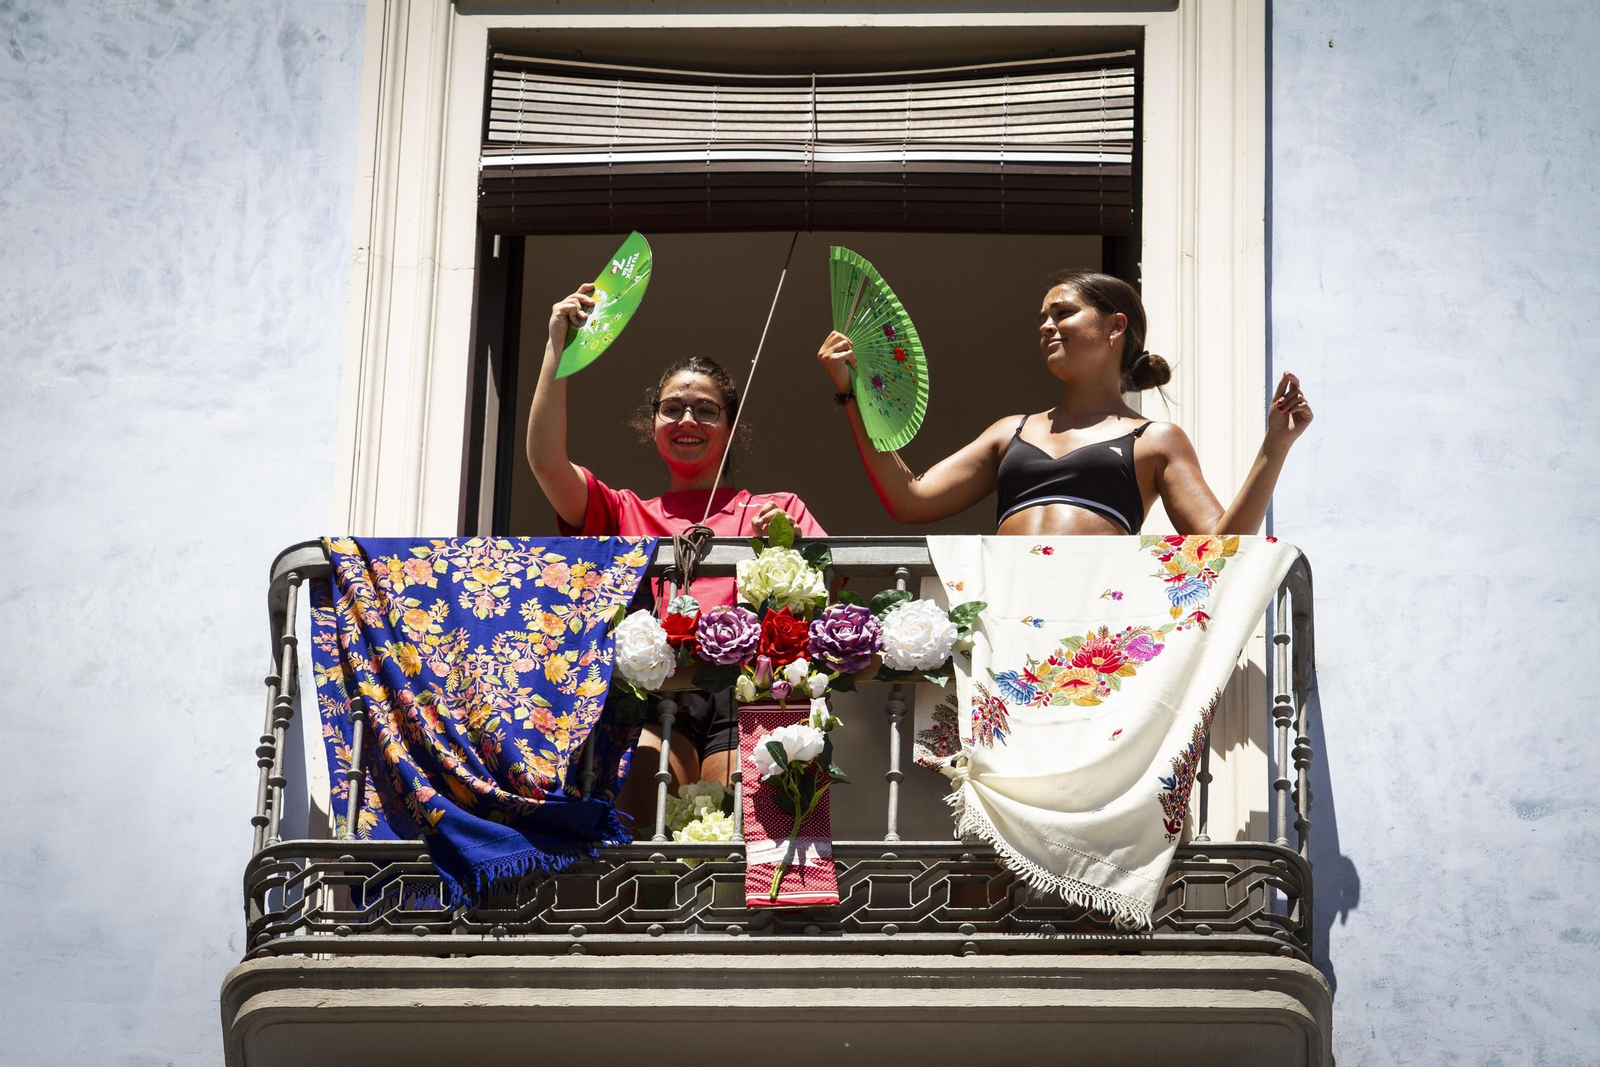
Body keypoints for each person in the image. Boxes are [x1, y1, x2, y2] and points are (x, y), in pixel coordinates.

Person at [528, 282, 826, 820]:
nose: (688, 420)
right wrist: (557, 348)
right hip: (656, 694)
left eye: (706, 410)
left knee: (748, 840)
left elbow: (830, 593)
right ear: (654, 425)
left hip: (754, 692)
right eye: (673, 409)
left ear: (731, 430)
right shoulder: (620, 511)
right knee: (644, 822)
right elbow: (547, 463)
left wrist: (787, 542)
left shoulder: (779, 508)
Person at [815, 269, 1313, 535]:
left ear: (1115, 327)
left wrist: (1275, 447)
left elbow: (1219, 547)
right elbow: (910, 500)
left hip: (1096, 638)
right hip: (1008, 626)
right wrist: (851, 393)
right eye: (1042, 317)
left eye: (1064, 312)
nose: (1046, 325)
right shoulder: (1008, 431)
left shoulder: (1154, 439)